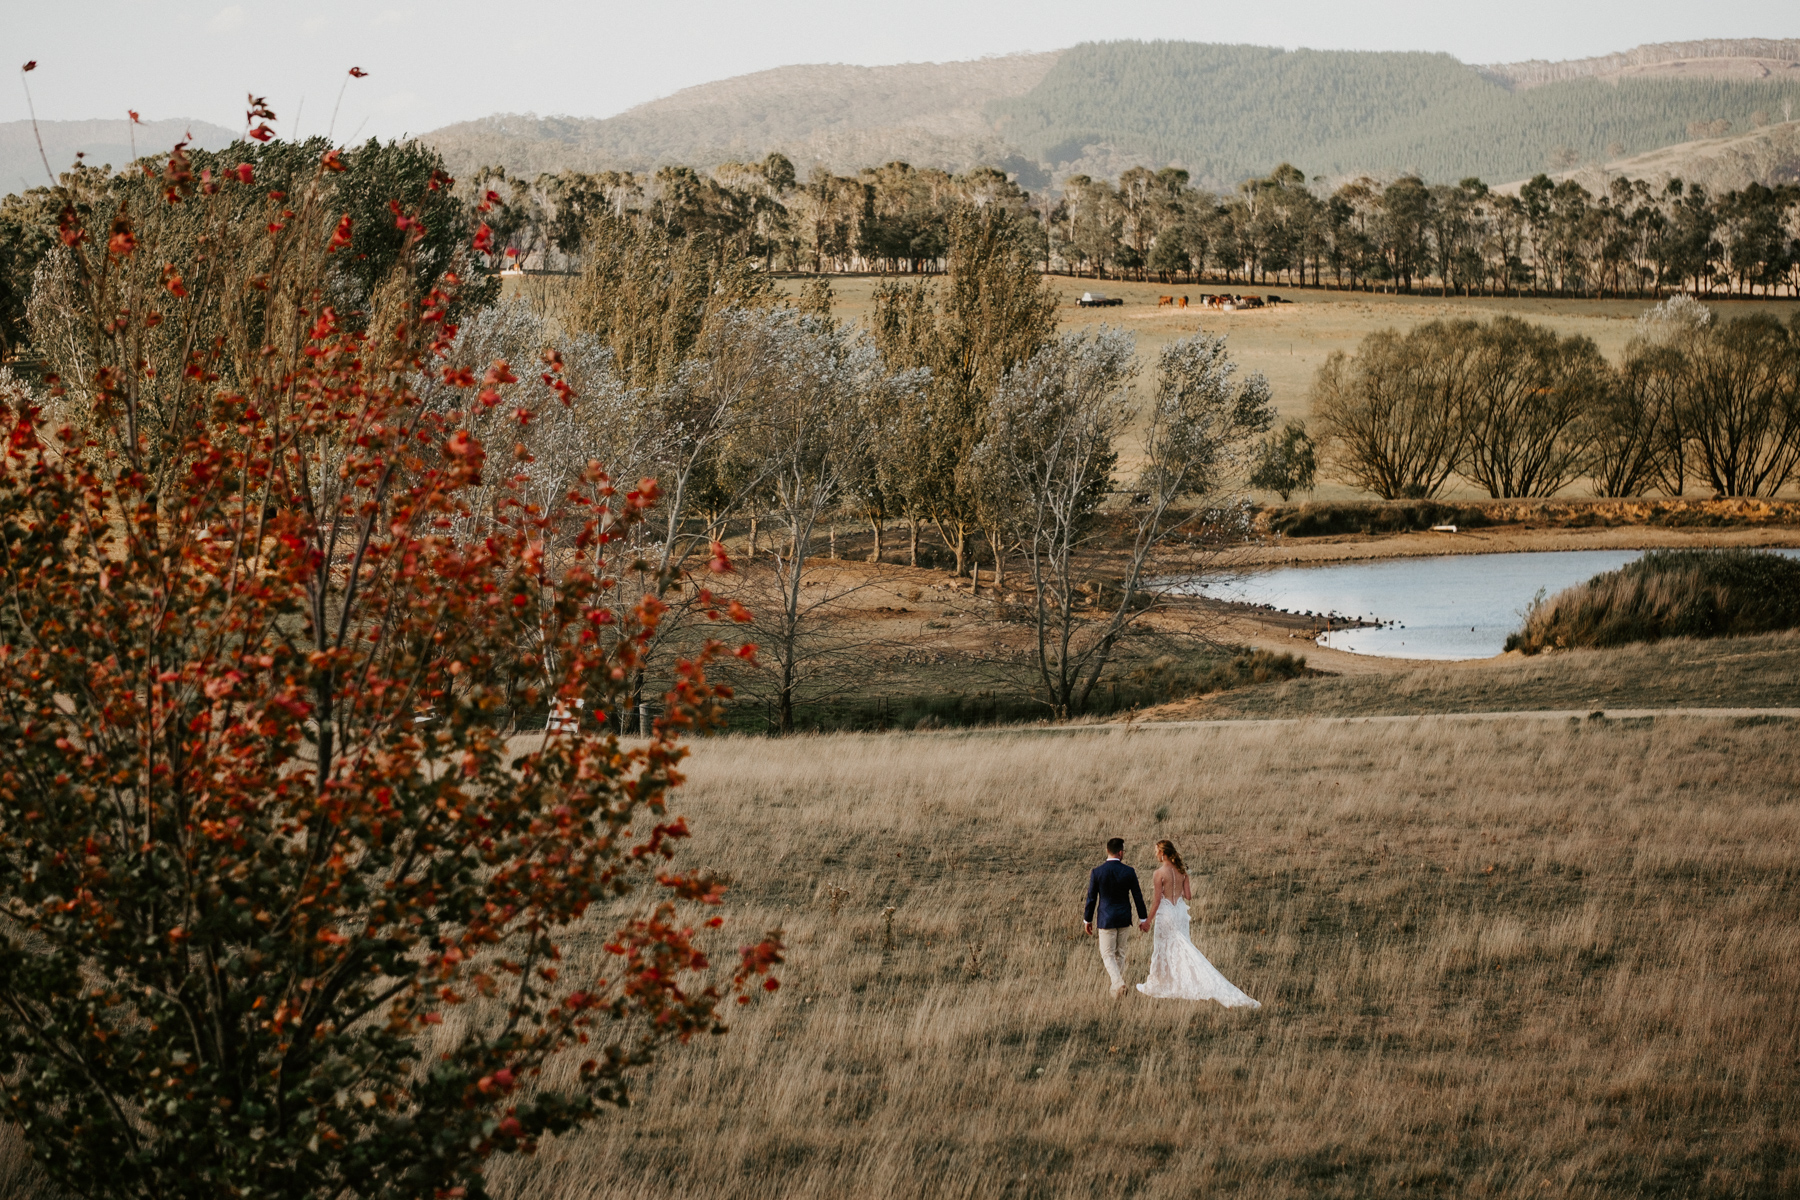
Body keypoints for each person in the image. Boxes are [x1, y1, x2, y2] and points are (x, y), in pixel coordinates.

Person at [1136, 839, 1260, 1008]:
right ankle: (1179, 979)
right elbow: (1188, 896)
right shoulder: (1182, 871)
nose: (1155, 854)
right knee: (1183, 946)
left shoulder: (1158, 873)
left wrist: (1147, 921)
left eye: (1157, 851)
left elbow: (1157, 900)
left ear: (1163, 853)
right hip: (1179, 912)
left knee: (1164, 947)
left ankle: (1165, 981)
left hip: (1166, 913)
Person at [1083, 837, 1147, 999]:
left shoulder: (1097, 872)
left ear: (1107, 851)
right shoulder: (1129, 871)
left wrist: (1087, 920)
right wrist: (1143, 918)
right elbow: (1137, 896)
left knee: (1107, 954)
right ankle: (1115, 992)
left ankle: (1118, 983)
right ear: (1120, 852)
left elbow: (1091, 898)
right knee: (1120, 953)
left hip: (1106, 919)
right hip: (1124, 917)